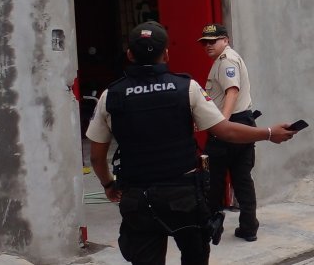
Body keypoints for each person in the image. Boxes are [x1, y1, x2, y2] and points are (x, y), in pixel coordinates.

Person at [86, 21, 297, 265]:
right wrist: (269, 132)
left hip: (138, 197)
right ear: (166, 53)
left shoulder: (110, 96)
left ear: (130, 55)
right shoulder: (186, 88)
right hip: (183, 198)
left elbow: (96, 157)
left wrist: (109, 185)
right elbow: (225, 130)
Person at [199, 23, 260, 242]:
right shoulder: (225, 59)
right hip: (242, 122)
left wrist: (222, 123)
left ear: (225, 40)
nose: (208, 45)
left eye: (213, 41)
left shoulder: (226, 61)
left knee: (213, 180)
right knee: (242, 179)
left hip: (229, 126)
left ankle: (211, 227)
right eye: (205, 42)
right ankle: (249, 228)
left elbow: (231, 92)